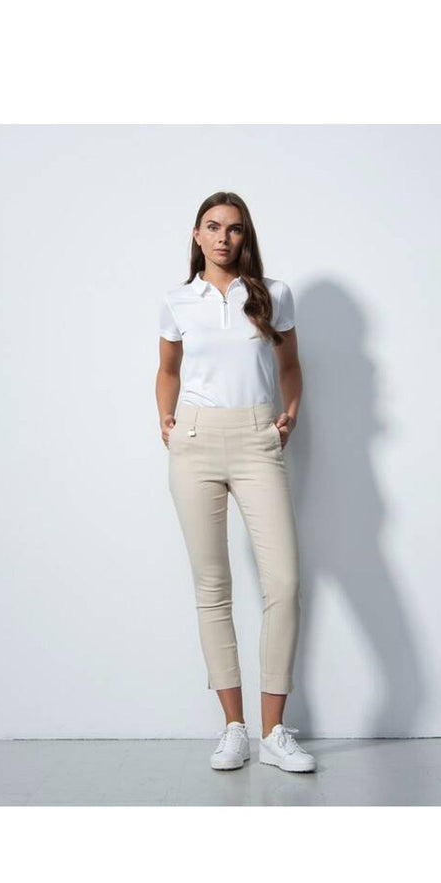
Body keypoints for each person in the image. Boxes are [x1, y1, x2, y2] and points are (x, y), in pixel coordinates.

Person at [156, 191, 315, 774]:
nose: (224, 237)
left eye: (235, 228)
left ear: (246, 236)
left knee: (284, 583)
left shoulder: (272, 295)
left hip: (256, 437)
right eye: (213, 226)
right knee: (212, 585)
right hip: (195, 441)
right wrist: (166, 420)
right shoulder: (177, 300)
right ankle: (234, 728)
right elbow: (168, 369)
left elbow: (289, 366)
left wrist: (289, 414)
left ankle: (274, 733)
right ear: (197, 235)